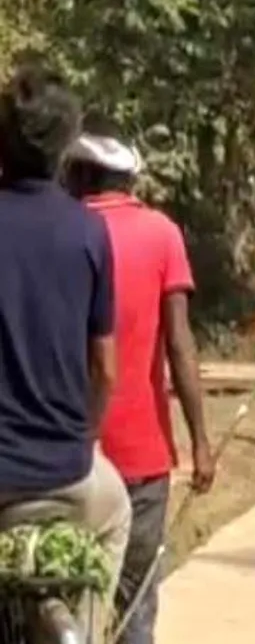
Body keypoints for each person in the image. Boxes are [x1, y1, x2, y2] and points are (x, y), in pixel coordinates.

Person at [62, 113, 214, 644]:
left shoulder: (64, 233)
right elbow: (179, 344)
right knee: (136, 602)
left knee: (66, 598)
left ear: (78, 175)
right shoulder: (162, 233)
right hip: (143, 454)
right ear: (132, 178)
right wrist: (200, 440)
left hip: (67, 454)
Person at [0, 61, 132, 630]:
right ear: (64, 149)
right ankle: (85, 627)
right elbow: (105, 368)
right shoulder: (87, 232)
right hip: (66, 471)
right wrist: (86, 438)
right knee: (117, 513)